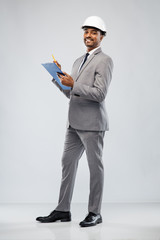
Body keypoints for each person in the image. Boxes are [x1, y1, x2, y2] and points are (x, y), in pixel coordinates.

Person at [36, 16, 113, 227]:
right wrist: (58, 76)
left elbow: (100, 94)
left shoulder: (105, 60)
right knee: (67, 164)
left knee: (94, 167)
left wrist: (74, 84)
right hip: (74, 123)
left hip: (93, 124)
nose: (88, 35)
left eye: (94, 32)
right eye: (86, 31)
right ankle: (62, 210)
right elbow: (72, 93)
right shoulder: (79, 61)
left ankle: (95, 212)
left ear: (101, 36)